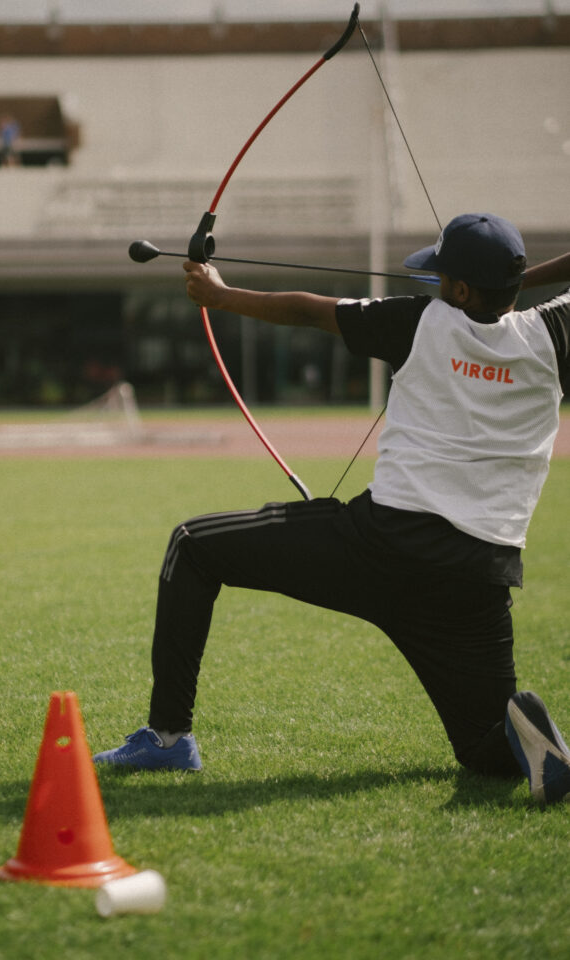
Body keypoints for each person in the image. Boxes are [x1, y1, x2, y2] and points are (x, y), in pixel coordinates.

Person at [94, 213, 570, 806]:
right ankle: (540, 746)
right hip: (478, 577)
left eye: (445, 275)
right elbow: (501, 296)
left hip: (381, 546)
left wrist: (217, 295)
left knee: (192, 545)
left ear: (460, 290)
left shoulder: (419, 322)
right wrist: (514, 284)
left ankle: (166, 739)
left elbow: (307, 310)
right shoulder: (553, 338)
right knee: (482, 748)